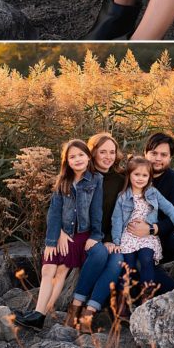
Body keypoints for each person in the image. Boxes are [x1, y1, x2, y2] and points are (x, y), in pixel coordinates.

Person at [15, 140, 103, 331]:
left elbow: (96, 210)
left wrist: (96, 235)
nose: (77, 159)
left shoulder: (96, 180)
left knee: (61, 270)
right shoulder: (63, 181)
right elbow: (54, 212)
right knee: (47, 270)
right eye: (72, 157)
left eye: (81, 155)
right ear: (67, 161)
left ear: (88, 157)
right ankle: (37, 314)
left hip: (79, 235)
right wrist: (53, 239)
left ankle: (41, 314)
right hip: (59, 233)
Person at [120, 132, 174, 294]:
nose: (158, 159)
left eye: (163, 155)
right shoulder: (131, 176)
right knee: (140, 263)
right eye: (154, 153)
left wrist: (152, 229)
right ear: (145, 153)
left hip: (165, 239)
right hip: (136, 240)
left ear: (170, 158)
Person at [106, 155, 174, 303]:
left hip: (147, 236)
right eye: (136, 174)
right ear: (129, 175)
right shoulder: (123, 196)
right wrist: (117, 241)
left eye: (144, 175)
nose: (140, 178)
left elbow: (170, 208)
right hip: (128, 236)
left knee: (146, 259)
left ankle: (147, 295)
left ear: (149, 177)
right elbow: (116, 220)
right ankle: (124, 300)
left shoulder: (153, 193)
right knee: (128, 266)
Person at [64, 132, 126, 331]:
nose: (108, 157)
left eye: (112, 152)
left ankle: (88, 314)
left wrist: (110, 239)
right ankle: (74, 308)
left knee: (117, 260)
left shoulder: (121, 180)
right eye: (103, 152)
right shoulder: (83, 177)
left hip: (110, 237)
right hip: (84, 235)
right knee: (99, 253)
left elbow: (121, 213)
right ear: (92, 153)